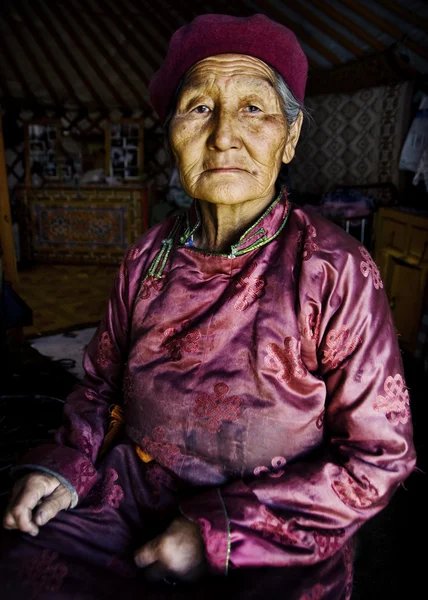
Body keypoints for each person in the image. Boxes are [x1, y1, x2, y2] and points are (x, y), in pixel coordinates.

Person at [1, 14, 416, 600]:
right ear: (172, 132)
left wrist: (223, 533)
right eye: (199, 108)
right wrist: (64, 466)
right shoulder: (146, 256)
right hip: (133, 494)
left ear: (290, 138)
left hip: (276, 520)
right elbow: (96, 386)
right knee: (22, 570)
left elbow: (378, 458)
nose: (223, 135)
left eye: (253, 109)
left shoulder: (334, 269)